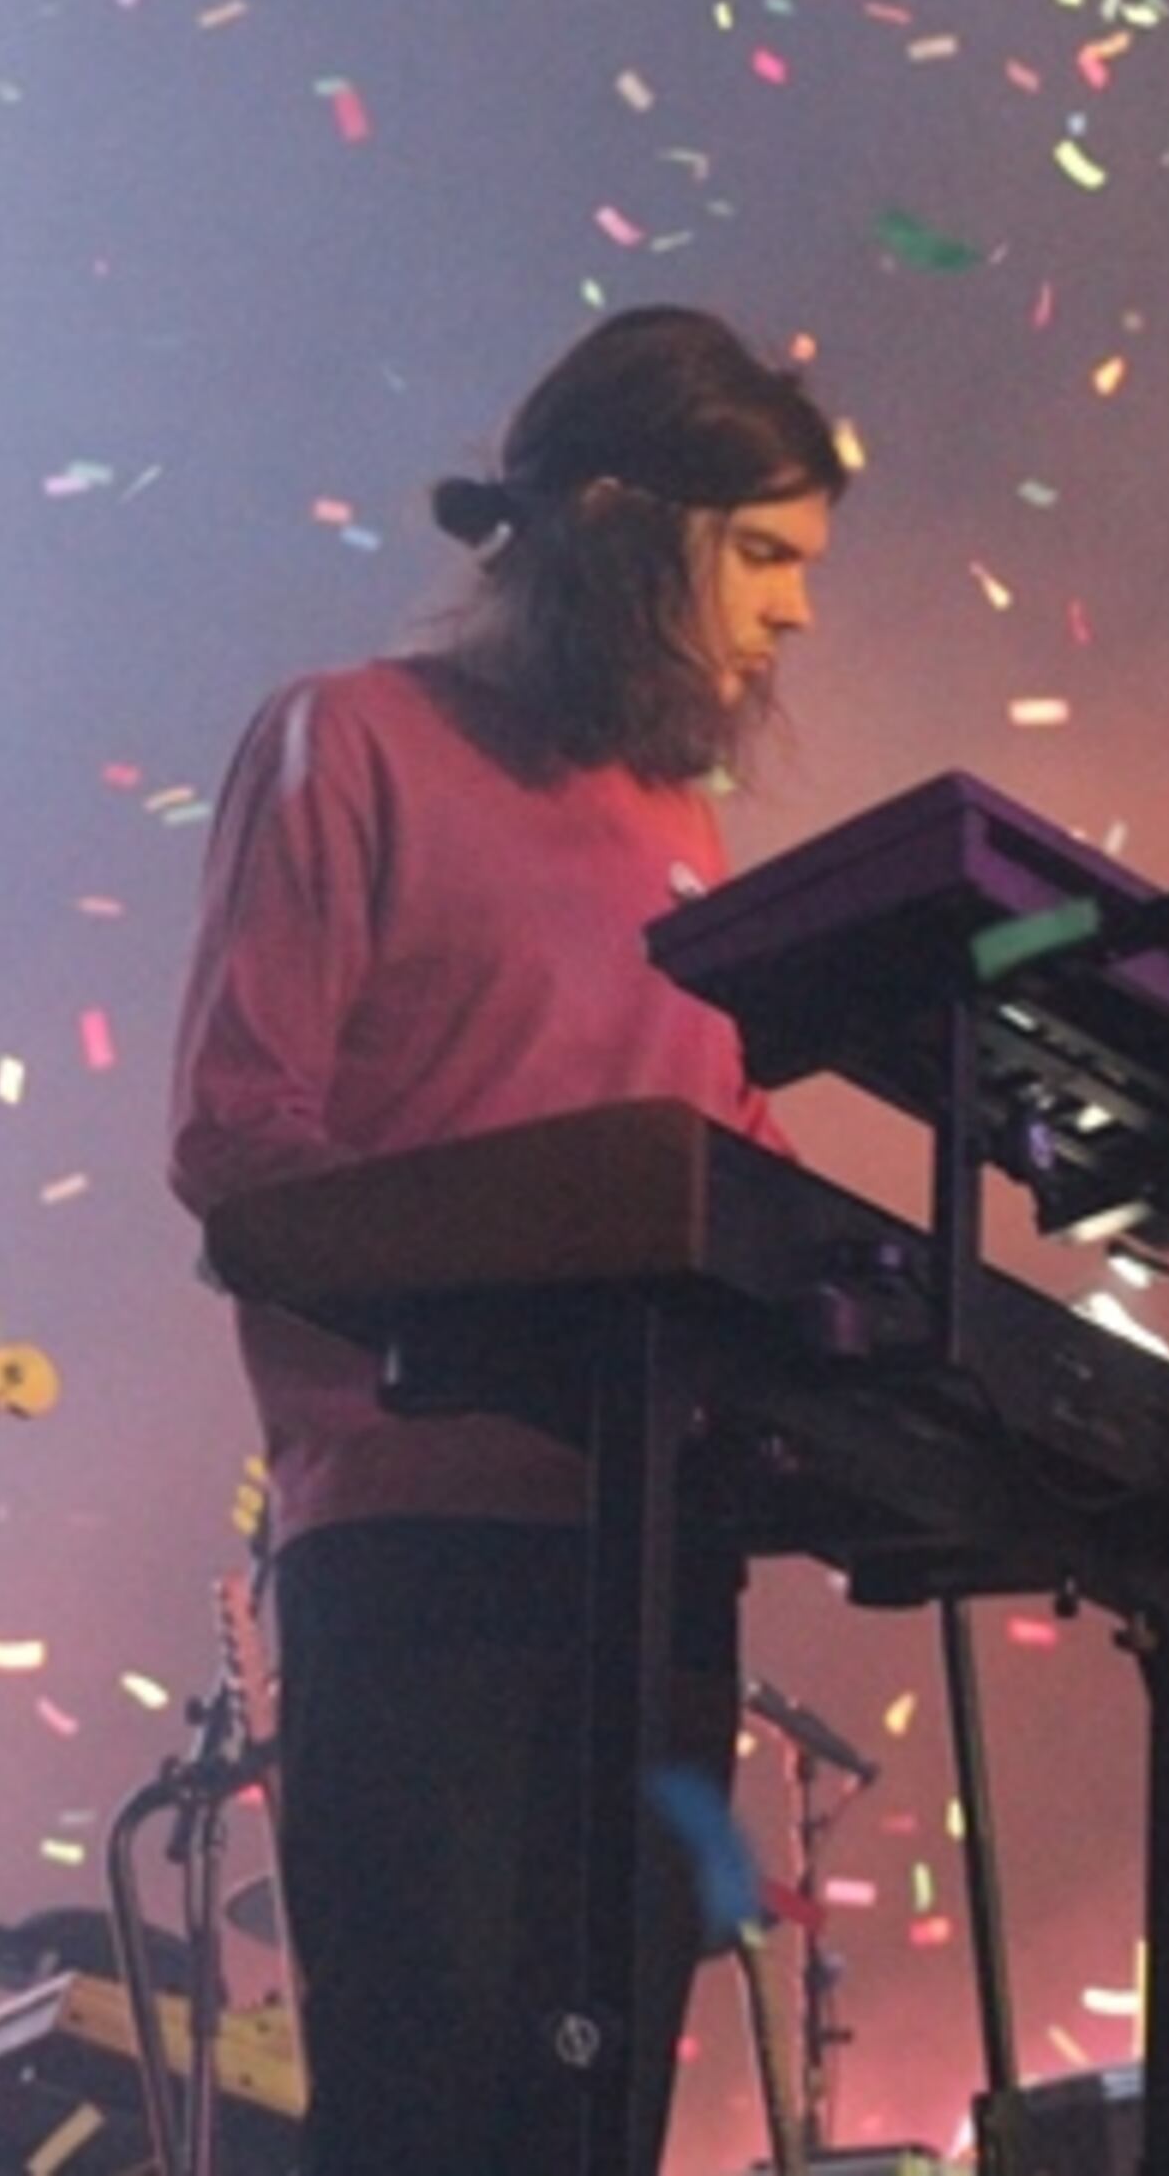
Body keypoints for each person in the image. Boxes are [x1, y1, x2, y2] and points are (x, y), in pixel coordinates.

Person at [168, 304, 845, 2176]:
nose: (794, 611)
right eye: (763, 554)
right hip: (420, 1539)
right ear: (622, 527)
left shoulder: (682, 823)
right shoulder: (348, 738)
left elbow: (719, 1151)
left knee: (592, 2129)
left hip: (655, 1552)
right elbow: (239, 1142)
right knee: (429, 2105)